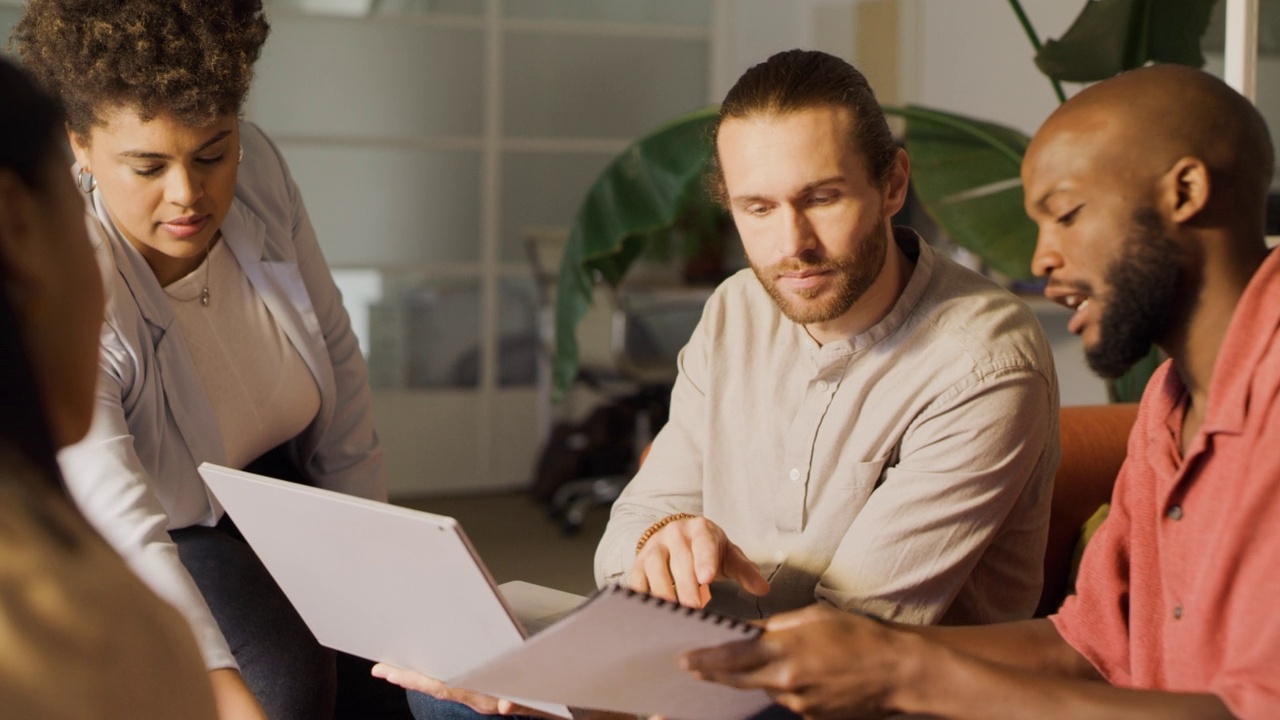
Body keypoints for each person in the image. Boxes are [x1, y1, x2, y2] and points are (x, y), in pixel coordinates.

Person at [380, 48, 1060, 719]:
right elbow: (623, 542)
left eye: (821, 198)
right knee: (446, 673)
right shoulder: (738, 308)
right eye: (757, 208)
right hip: (711, 659)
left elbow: (846, 644)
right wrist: (664, 539)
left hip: (862, 694)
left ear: (892, 184)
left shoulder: (983, 360)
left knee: (492, 700)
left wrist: (585, 702)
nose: (791, 244)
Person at [682, 63, 1279, 719]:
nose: (1043, 259)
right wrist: (861, 651)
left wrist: (904, 672)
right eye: (757, 207)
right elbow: (1091, 646)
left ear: (1185, 190)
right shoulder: (1172, 401)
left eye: (1068, 214)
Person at [13, 1, 407, 718]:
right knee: (280, 688)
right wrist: (221, 695)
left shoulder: (262, 173)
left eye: (212, 153)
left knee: (408, 676)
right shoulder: (74, 276)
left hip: (280, 482)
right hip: (177, 517)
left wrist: (375, 556)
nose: (188, 194)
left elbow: (339, 363)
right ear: (80, 145)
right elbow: (121, 511)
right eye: (147, 165)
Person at [0, 56, 218, 720]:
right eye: (80, 218)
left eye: (213, 155)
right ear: (18, 230)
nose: (186, 193)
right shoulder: (90, 635)